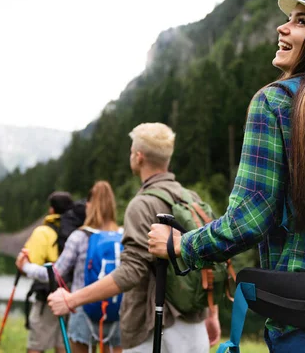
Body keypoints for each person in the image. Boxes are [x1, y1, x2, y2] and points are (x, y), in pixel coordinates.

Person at [147, 0, 305, 353]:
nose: (282, 27)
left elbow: (249, 219)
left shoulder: (276, 101)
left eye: (301, 22)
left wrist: (180, 246)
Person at [48, 122, 221, 353]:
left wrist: (72, 300)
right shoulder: (190, 198)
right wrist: (212, 313)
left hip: (155, 333)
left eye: (131, 151)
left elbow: (131, 271)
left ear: (139, 157)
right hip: (194, 327)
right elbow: (211, 259)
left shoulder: (142, 205)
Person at [16, 181, 123, 353]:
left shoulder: (79, 236)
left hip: (82, 310)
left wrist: (26, 266)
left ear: (89, 205)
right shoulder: (123, 235)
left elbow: (54, 274)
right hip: (115, 311)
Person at [18, 191, 74, 353]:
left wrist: (23, 265)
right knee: (63, 344)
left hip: (47, 296)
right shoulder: (78, 230)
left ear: (51, 210)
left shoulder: (43, 232)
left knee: (37, 345)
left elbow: (30, 264)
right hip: (72, 296)